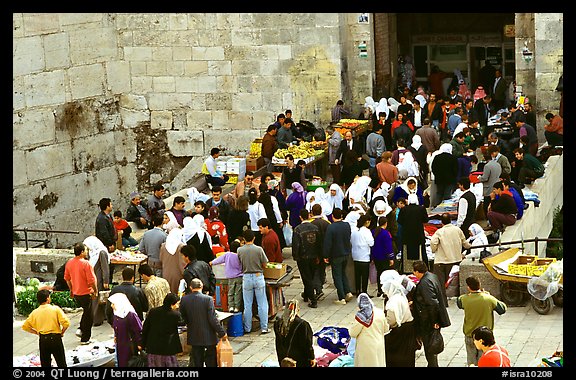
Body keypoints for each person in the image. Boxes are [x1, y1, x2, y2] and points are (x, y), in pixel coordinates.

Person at [457, 276, 507, 366]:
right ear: (479, 285)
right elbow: (502, 309)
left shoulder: (464, 299)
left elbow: (459, 303)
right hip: (485, 337)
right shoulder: (488, 298)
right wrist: (488, 295)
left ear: (468, 287)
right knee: (484, 360)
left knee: (471, 360)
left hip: (470, 335)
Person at [179, 278, 227, 367]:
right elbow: (212, 318)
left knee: (197, 361)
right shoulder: (208, 299)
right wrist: (221, 332)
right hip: (208, 336)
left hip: (194, 335)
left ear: (190, 287)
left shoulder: (184, 299)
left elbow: (182, 318)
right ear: (201, 286)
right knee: (211, 361)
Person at [412, 260, 451, 367]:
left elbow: (432, 303)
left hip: (428, 320)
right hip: (432, 318)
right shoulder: (432, 276)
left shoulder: (425, 283)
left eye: (414, 272)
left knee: (430, 346)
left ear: (417, 272)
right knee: (431, 345)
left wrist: (435, 321)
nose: (414, 275)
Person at [21, 289, 71, 367]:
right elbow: (66, 323)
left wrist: (36, 332)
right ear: (47, 298)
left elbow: (25, 326)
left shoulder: (35, 312)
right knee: (61, 363)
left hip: (43, 339)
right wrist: (62, 332)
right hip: (55, 338)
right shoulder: (55, 309)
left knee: (45, 364)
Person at [429, 213, 471, 304]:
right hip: (455, 259)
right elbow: (465, 243)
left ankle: (443, 302)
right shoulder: (457, 230)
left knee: (440, 283)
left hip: (441, 261)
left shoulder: (439, 232)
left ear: (441, 222)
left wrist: (434, 250)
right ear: (450, 220)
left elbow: (433, 243)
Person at [380, 270, 419, 367]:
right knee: (408, 355)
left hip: (400, 331)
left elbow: (392, 320)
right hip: (409, 327)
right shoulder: (401, 296)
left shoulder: (393, 302)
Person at [64, 242, 98, 345]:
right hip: (86, 292)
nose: (87, 252)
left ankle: (81, 329)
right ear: (82, 252)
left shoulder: (69, 262)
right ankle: (85, 338)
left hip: (77, 293)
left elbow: (67, 279)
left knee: (86, 312)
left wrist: (71, 289)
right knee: (89, 316)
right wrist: (95, 291)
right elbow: (91, 280)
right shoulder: (85, 263)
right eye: (86, 250)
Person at [237, 229, 270, 334]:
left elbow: (239, 264)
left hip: (246, 277)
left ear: (244, 239)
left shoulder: (239, 250)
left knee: (247, 304)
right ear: (254, 238)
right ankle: (264, 327)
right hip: (258, 276)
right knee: (262, 303)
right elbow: (265, 264)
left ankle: (247, 328)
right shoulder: (259, 249)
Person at [141, 293, 182, 367]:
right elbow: (182, 323)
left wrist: (142, 343)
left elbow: (145, 328)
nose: (178, 306)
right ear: (171, 304)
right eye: (177, 304)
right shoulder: (175, 315)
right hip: (167, 348)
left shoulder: (153, 311)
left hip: (153, 347)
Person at [323, 208, 354, 304]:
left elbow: (328, 243)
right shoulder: (347, 225)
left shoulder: (331, 227)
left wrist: (326, 255)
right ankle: (347, 291)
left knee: (337, 276)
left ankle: (341, 297)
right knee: (343, 273)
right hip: (346, 253)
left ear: (332, 216)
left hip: (336, 255)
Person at [349, 293, 390, 367]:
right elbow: (386, 328)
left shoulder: (361, 317)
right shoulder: (380, 312)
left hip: (366, 347)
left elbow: (353, 333)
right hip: (379, 344)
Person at [292, 209, 322, 308]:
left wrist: (296, 256)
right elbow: (319, 243)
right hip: (314, 256)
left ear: (300, 217)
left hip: (303, 257)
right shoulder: (315, 228)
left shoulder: (298, 229)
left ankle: (313, 300)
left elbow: (296, 244)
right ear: (309, 216)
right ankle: (306, 294)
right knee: (311, 276)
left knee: (307, 277)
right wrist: (319, 255)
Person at [274, 299, 316, 367]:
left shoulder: (278, 323)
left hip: (284, 358)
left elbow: (278, 342)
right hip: (299, 359)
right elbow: (307, 344)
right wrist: (311, 357)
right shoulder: (302, 324)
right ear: (297, 309)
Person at [108, 292, 143, 368]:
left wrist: (140, 343)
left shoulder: (130, 314)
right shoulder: (117, 314)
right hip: (120, 344)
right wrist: (116, 336)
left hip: (129, 345)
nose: (111, 306)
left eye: (113, 303)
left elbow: (138, 329)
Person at [82, 236, 110, 327]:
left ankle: (96, 319)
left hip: (100, 280)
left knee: (97, 300)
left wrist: (106, 281)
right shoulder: (93, 253)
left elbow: (105, 269)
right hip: (94, 280)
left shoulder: (101, 252)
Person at [397, 194, 429, 274]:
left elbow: (400, 221)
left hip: (407, 237)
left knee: (406, 254)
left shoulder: (404, 209)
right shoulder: (421, 209)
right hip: (418, 236)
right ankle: (421, 269)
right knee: (420, 254)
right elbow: (426, 220)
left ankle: (407, 270)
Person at [210, 239, 244, 313]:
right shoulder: (240, 255)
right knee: (238, 293)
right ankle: (237, 307)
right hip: (239, 277)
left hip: (230, 277)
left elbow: (219, 260)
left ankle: (231, 306)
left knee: (230, 292)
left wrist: (211, 262)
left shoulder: (227, 255)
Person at [371, 216, 395, 297]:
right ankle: (385, 291)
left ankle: (379, 290)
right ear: (386, 223)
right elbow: (389, 246)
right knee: (385, 274)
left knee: (379, 273)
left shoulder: (373, 231)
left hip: (376, 256)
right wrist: (391, 258)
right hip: (384, 257)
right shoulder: (386, 233)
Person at [350, 214, 374, 296]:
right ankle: (364, 291)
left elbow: (351, 241)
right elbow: (371, 243)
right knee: (364, 275)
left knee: (357, 275)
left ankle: (357, 290)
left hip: (356, 256)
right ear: (367, 222)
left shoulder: (355, 231)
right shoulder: (367, 231)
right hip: (364, 256)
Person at [310, 203, 330, 299]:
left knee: (315, 271)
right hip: (325, 251)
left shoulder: (311, 224)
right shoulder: (327, 223)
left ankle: (318, 289)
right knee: (322, 269)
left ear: (312, 212)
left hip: (314, 252)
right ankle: (320, 284)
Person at [430, 143, 459, 208]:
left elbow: (433, 168)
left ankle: (437, 207)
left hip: (439, 179)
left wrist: (437, 175)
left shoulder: (437, 157)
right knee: (447, 195)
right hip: (450, 180)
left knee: (439, 194)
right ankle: (446, 208)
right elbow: (456, 170)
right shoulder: (453, 158)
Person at [159, 227, 187, 294]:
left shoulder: (163, 246)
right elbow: (183, 263)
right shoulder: (181, 247)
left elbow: (161, 259)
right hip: (178, 274)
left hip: (166, 272)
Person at [479, 145, 503, 217]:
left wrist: (479, 178)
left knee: (487, 205)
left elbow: (485, 178)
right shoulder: (498, 164)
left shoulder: (487, 166)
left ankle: (488, 218)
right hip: (497, 186)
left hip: (489, 188)